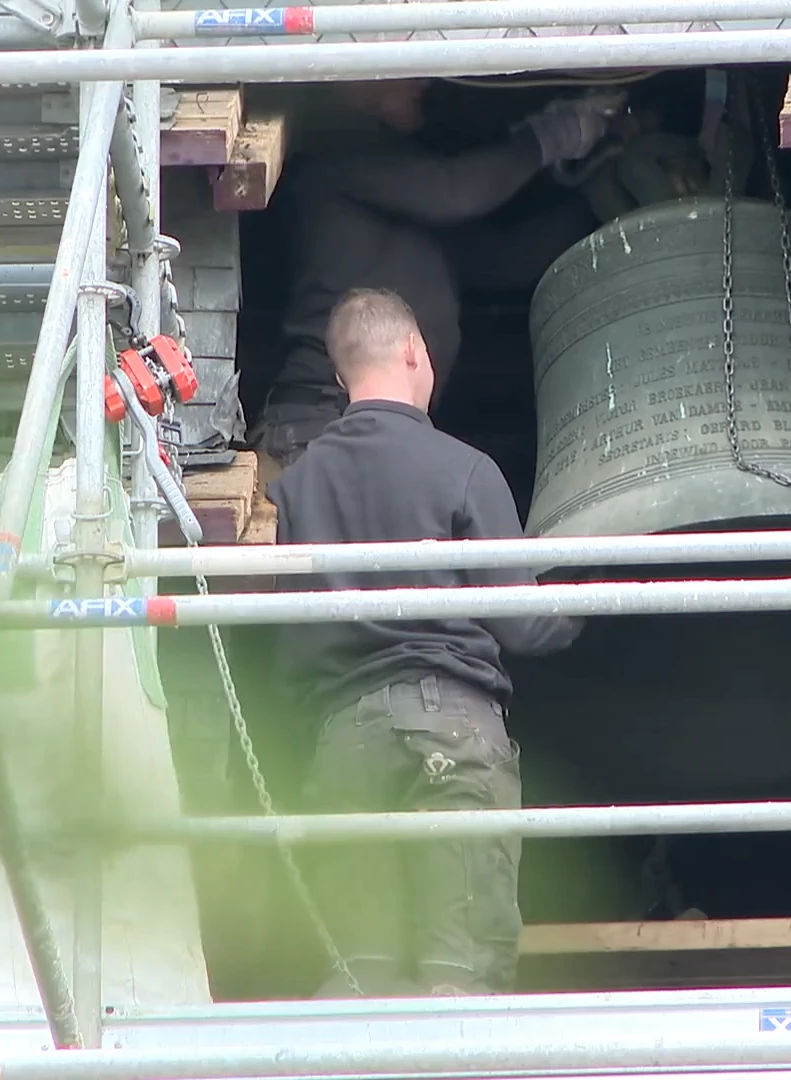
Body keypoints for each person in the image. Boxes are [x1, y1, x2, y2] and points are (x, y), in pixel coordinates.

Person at [266, 288, 585, 998]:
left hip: (344, 743)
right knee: (460, 978)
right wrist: (596, 603)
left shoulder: (296, 489)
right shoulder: (464, 469)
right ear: (414, 351)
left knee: (360, 981)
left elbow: (289, 651)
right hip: (454, 729)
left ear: (344, 373)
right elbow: (526, 625)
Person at [251, 80, 612, 476]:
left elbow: (502, 260)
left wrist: (602, 198)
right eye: (405, 67)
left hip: (371, 432)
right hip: (320, 424)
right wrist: (547, 138)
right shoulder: (330, 159)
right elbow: (455, 192)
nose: (422, 81)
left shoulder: (405, 217)